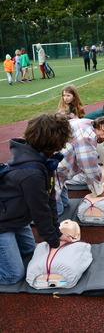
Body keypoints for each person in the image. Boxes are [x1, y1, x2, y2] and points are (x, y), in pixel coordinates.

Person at [0, 113, 73, 285]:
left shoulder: (44, 161)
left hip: (16, 218)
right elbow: (40, 211)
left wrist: (57, 233)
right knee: (13, 275)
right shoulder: (32, 173)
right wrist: (54, 241)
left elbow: (49, 200)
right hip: (2, 223)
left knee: (29, 252)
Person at [55, 115, 104, 215]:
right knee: (56, 211)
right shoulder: (87, 135)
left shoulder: (89, 124)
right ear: (102, 123)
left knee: (64, 204)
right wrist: (98, 191)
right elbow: (88, 166)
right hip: (52, 170)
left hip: (58, 171)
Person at [26, 220, 93, 289]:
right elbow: (86, 258)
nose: (66, 224)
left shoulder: (42, 245)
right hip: (66, 272)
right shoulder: (81, 245)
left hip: (35, 273)